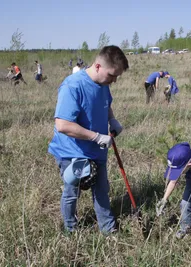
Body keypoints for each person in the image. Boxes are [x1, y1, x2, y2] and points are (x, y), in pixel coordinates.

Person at [48, 45, 129, 234]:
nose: (114, 80)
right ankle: (70, 230)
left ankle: (108, 230)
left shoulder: (103, 85)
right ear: (98, 66)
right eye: (112, 75)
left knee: (102, 190)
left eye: (117, 76)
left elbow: (106, 103)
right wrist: (96, 136)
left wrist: (112, 119)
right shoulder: (73, 86)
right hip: (71, 151)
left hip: (96, 149)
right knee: (71, 193)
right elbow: (63, 125)